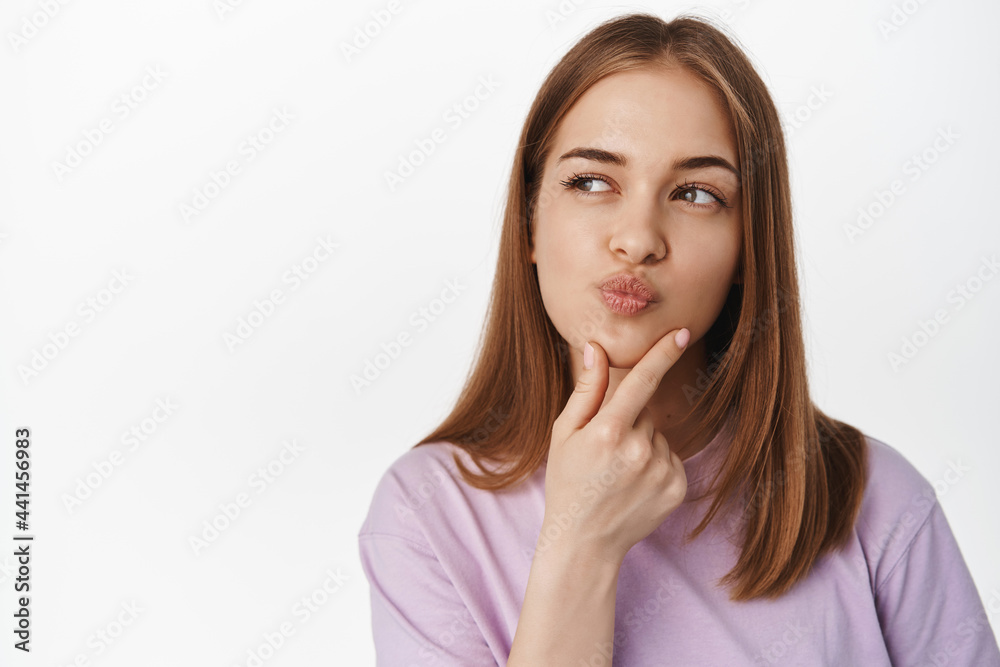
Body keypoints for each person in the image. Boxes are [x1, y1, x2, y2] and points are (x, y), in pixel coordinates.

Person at [357, 11, 1000, 666]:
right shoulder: (426, 512)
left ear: (750, 246)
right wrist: (580, 547)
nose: (637, 238)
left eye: (695, 193)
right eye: (591, 181)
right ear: (527, 222)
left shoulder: (877, 499)